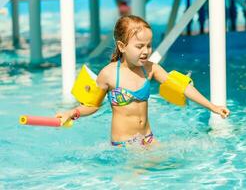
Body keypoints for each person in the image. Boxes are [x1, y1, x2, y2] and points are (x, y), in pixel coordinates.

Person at [56, 15, 230, 147]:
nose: (146, 51)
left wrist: (213, 107)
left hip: (148, 139)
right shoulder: (109, 74)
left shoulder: (150, 68)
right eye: (139, 46)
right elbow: (92, 105)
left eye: (149, 45)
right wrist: (72, 113)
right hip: (124, 145)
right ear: (122, 47)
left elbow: (183, 88)